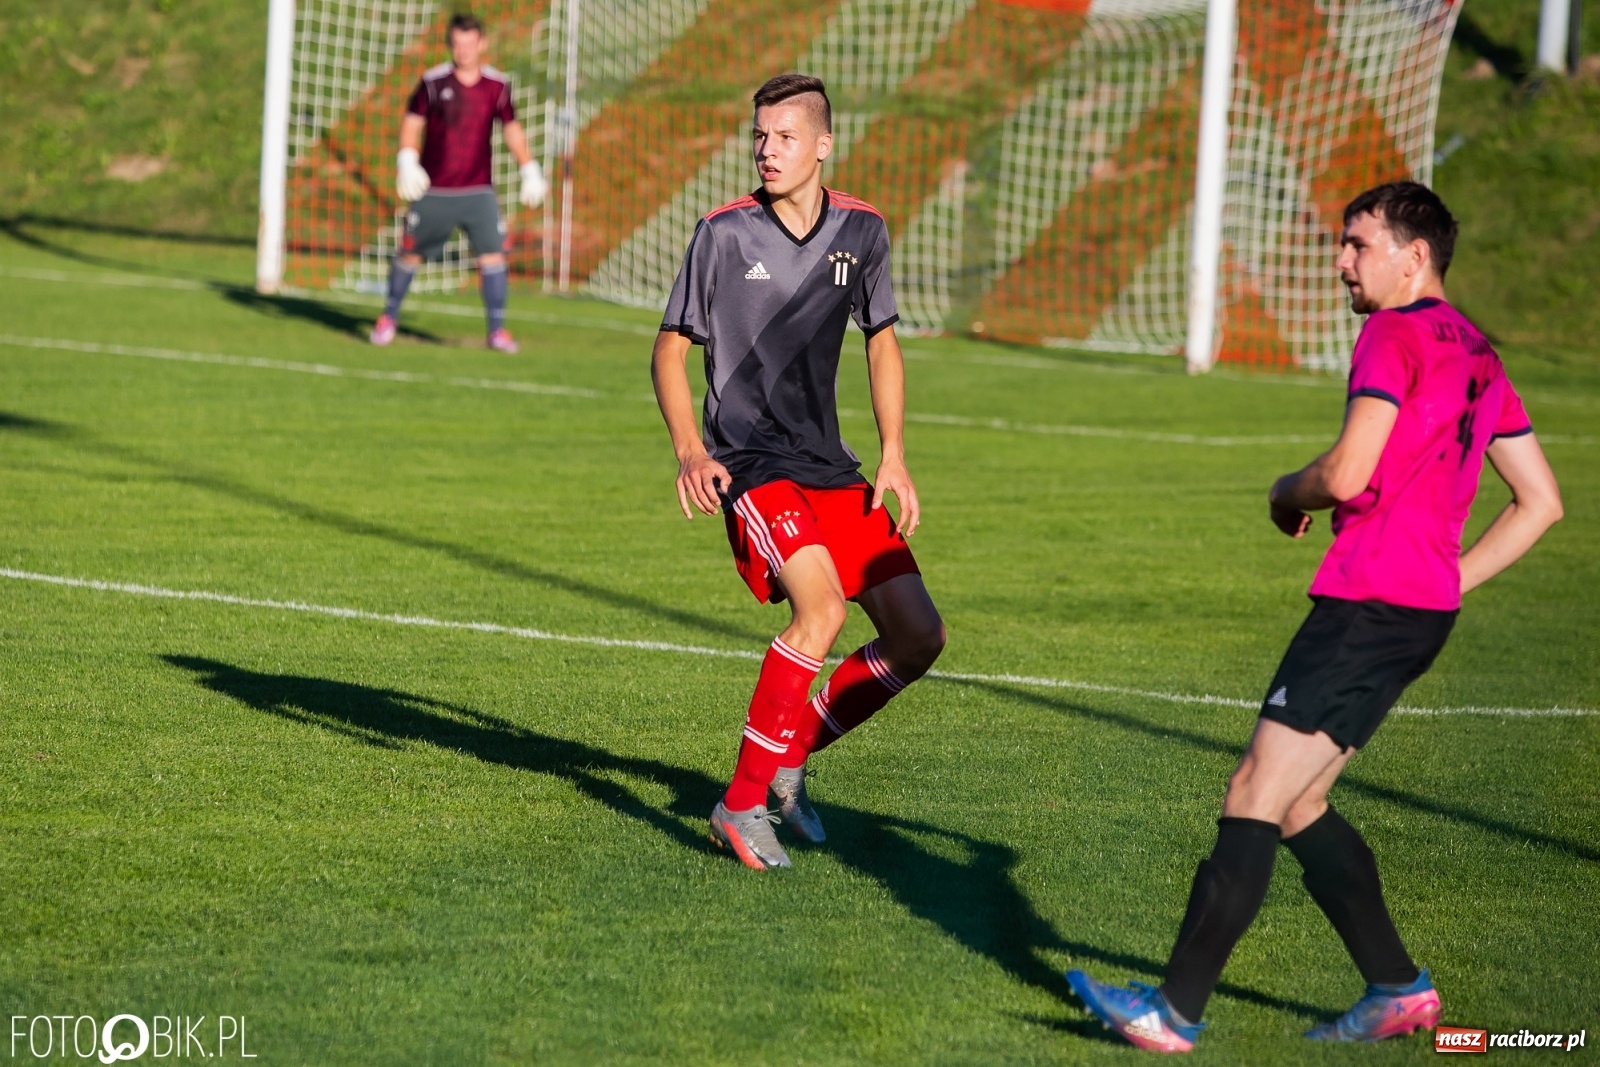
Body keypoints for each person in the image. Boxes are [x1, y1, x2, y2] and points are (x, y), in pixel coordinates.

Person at [1067, 181, 1564, 1052]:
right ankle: (1398, 987)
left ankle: (1172, 1011)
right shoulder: (1482, 353)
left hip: (1367, 602)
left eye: (1356, 244)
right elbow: (1541, 502)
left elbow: (1343, 474)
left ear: (1415, 256)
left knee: (1256, 789)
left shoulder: (1394, 331)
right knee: (1300, 803)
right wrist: (1445, 581)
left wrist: (1280, 491)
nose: (1341, 262)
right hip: (1415, 614)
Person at [650, 73, 946, 871]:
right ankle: (742, 801)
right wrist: (690, 449)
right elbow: (670, 348)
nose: (766, 150)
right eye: (759, 136)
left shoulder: (864, 232)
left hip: (831, 465)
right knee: (820, 615)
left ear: (823, 145)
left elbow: (882, 340)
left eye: (784, 136)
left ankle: (789, 756)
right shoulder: (723, 233)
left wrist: (893, 454)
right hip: (750, 462)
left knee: (919, 634)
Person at [370, 12, 547, 353]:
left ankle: (496, 331)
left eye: (469, 43)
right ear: (450, 45)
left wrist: (529, 167)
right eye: (457, 44)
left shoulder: (497, 86)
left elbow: (511, 127)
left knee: (493, 256)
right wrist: (406, 159)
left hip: (478, 190)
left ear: (481, 44)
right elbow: (412, 122)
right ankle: (388, 318)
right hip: (434, 189)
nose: (463, 50)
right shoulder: (433, 82)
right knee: (410, 253)